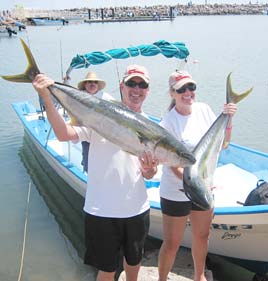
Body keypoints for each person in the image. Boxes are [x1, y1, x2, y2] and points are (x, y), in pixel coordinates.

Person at [32, 64, 159, 281]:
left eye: (142, 85)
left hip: (137, 209)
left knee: (134, 264)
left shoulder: (151, 127)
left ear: (148, 90)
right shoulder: (99, 114)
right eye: (131, 83)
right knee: (106, 271)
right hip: (102, 211)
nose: (136, 89)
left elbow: (148, 175)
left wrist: (150, 169)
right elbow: (63, 134)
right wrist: (46, 96)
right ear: (122, 86)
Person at [157, 70, 237, 281]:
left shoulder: (204, 110)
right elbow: (172, 162)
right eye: (181, 89)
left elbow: (223, 142)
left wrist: (229, 118)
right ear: (172, 93)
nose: (188, 92)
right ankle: (162, 279)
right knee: (172, 243)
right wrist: (194, 182)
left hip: (203, 187)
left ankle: (199, 276)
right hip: (176, 190)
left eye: (191, 87)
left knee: (202, 235)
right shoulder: (167, 123)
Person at [77, 71, 111, 173]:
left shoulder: (106, 97)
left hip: (103, 134)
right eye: (89, 82)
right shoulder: (78, 96)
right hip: (86, 133)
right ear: (85, 85)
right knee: (87, 157)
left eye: (95, 82)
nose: (92, 84)